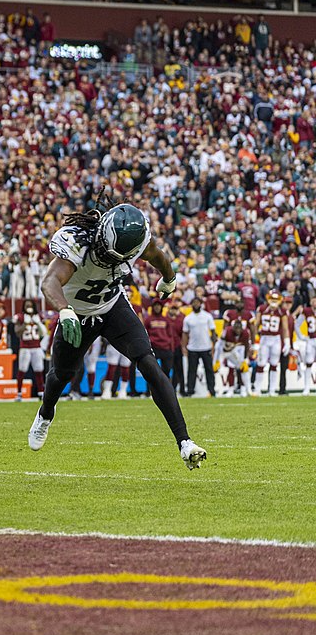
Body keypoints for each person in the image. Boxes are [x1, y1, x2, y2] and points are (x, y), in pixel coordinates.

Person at [28, 199, 207, 469]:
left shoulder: (138, 241)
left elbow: (157, 255)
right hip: (78, 313)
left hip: (112, 306)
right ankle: (45, 413)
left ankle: (185, 442)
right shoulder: (78, 241)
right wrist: (65, 312)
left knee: (148, 362)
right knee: (62, 375)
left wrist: (169, 279)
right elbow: (50, 281)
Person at [251, 290, 288, 396]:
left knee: (274, 364)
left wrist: (286, 341)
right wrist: (253, 340)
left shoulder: (282, 311)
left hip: (276, 338)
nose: (274, 301)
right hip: (264, 338)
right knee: (261, 364)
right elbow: (256, 325)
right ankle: (257, 389)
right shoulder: (262, 309)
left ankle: (272, 390)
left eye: (276, 299)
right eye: (272, 298)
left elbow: (285, 328)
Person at [180, 297, 216, 397]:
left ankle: (212, 390)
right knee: (192, 370)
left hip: (206, 347)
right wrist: (184, 346)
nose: (196, 304)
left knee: (209, 370)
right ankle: (190, 390)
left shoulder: (207, 316)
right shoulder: (188, 318)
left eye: (197, 302)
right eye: (194, 303)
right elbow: (185, 333)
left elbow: (213, 332)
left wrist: (214, 346)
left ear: (201, 304)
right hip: (193, 348)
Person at [12, 300, 47, 402]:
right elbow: (17, 333)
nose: (29, 307)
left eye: (30, 305)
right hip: (25, 347)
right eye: (27, 305)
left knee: (39, 370)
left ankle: (41, 392)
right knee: (22, 370)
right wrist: (25, 324)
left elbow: (44, 333)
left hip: (36, 346)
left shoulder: (38, 317)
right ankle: (19, 393)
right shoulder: (20, 317)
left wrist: (38, 323)